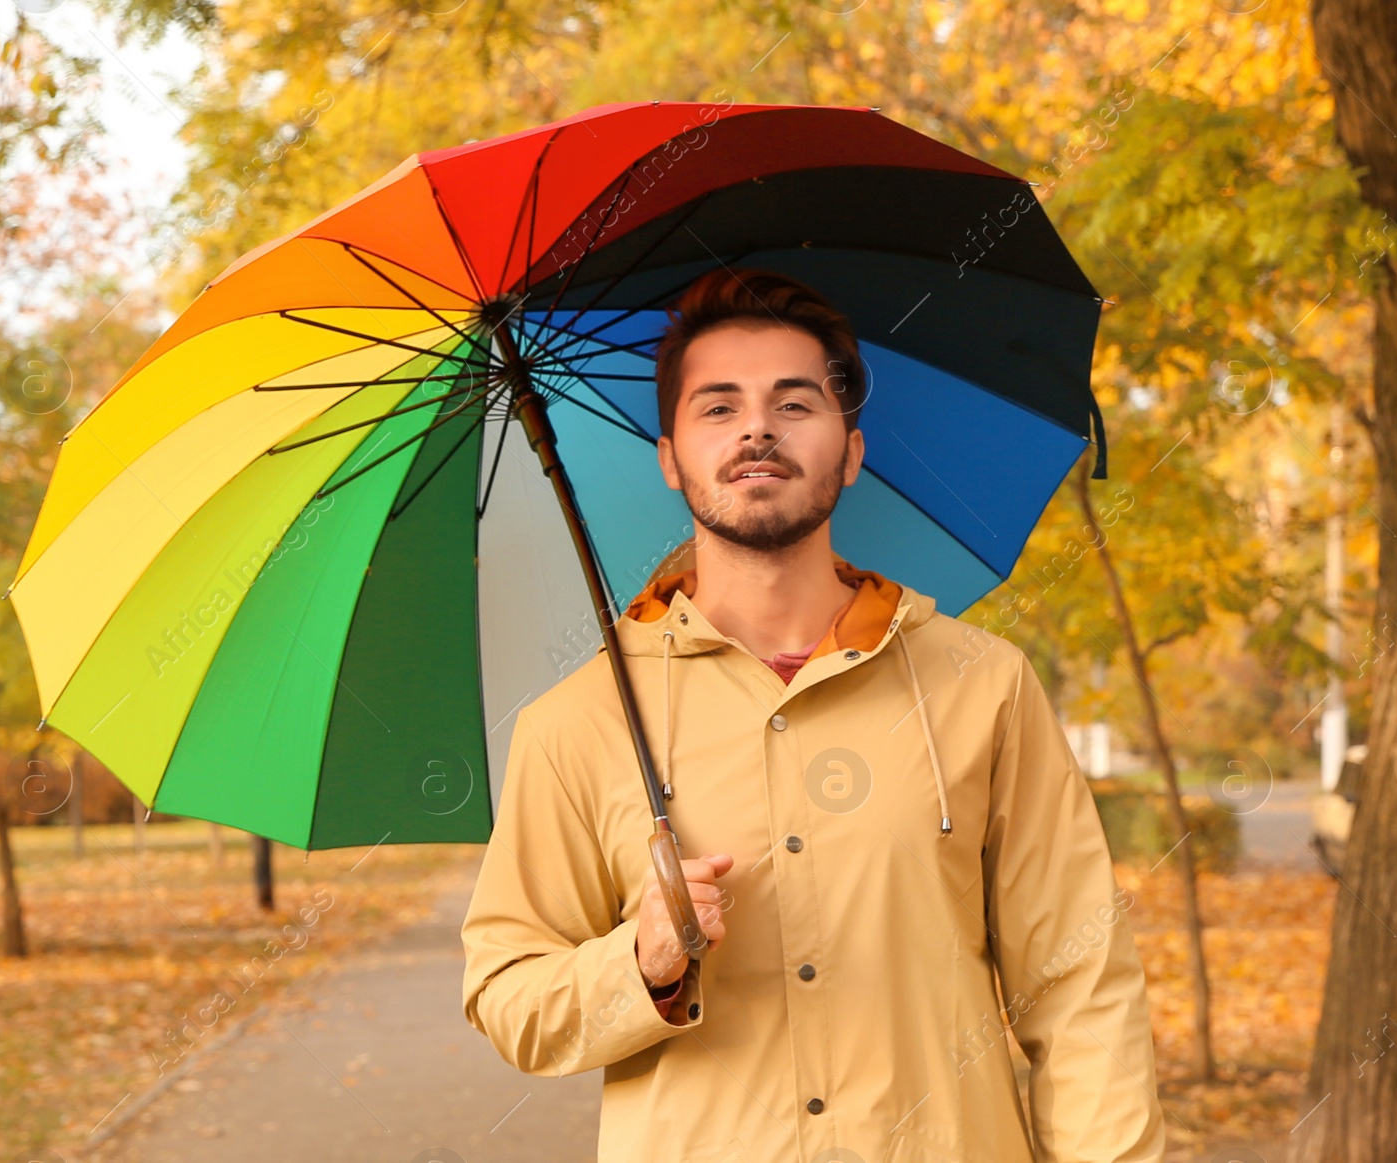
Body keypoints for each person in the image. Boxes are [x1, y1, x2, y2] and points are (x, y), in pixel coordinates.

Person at [460, 268, 1166, 1162]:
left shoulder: (982, 685)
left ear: (852, 450)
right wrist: (636, 964)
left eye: (795, 403)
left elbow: (1079, 980)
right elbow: (507, 992)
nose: (757, 427)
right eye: (718, 407)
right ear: (670, 457)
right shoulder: (582, 721)